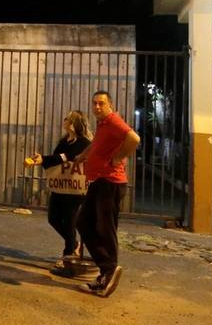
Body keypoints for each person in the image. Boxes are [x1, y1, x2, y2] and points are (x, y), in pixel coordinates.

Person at [73, 90, 140, 297]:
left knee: (104, 228)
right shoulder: (103, 125)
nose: (97, 107)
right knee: (83, 223)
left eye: (101, 103)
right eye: (94, 103)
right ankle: (107, 268)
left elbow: (134, 139)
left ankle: (108, 270)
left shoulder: (113, 121)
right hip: (100, 181)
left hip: (110, 183)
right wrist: (83, 156)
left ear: (110, 104)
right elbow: (96, 145)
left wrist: (117, 158)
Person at [25, 110, 92, 273]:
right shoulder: (64, 141)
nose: (64, 120)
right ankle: (74, 244)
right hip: (61, 186)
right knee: (53, 218)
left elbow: (66, 157)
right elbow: (56, 158)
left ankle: (68, 255)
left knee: (70, 220)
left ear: (74, 123)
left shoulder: (84, 142)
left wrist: (44, 159)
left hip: (75, 189)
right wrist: (41, 159)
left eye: (67, 118)